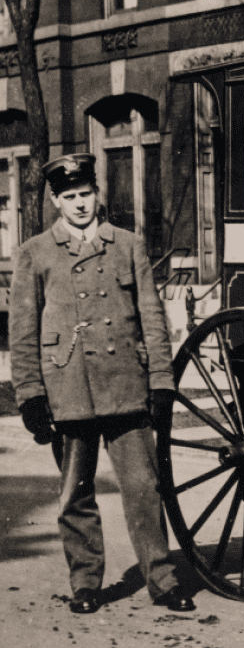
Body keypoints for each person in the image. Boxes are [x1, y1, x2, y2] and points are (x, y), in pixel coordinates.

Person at [11, 153, 193, 615]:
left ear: (98, 195)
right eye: (69, 197)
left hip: (125, 386)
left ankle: (163, 579)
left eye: (86, 194)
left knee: (143, 488)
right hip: (68, 387)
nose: (79, 205)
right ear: (55, 200)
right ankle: (86, 583)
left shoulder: (127, 244)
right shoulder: (35, 253)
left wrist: (161, 382)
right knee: (75, 494)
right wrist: (30, 395)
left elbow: (153, 319)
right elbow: (24, 332)